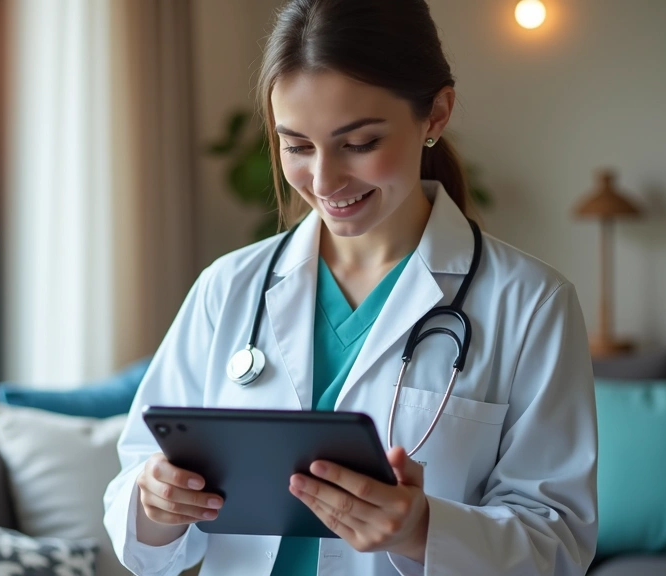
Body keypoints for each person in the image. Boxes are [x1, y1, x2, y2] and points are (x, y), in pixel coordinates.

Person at [103, 0, 598, 574]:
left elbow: (556, 544)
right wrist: (157, 501)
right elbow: (136, 486)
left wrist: (423, 531)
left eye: (359, 144)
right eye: (296, 146)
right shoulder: (227, 288)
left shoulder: (531, 305)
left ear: (436, 114)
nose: (324, 180)